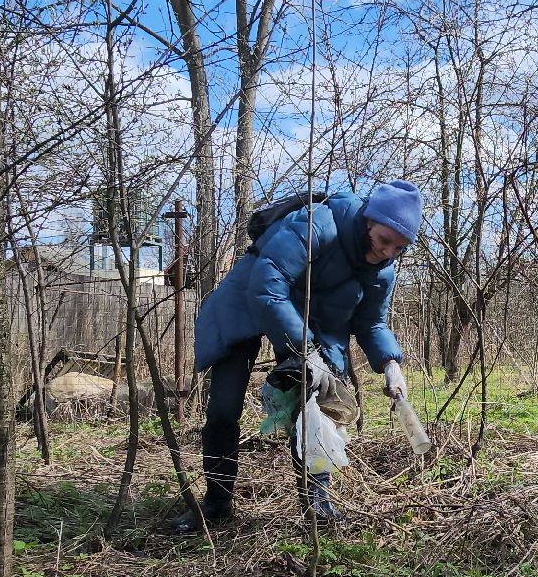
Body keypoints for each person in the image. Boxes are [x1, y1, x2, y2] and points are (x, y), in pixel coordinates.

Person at [161, 179, 421, 535]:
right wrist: (305, 350)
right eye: (384, 240)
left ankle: (317, 509)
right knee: (224, 407)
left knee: (317, 410)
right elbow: (268, 286)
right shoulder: (319, 223)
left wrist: (391, 363)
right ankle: (216, 504)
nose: (387, 252)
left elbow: (371, 323)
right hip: (247, 304)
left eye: (399, 248)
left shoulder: (382, 272)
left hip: (310, 323)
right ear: (367, 222)